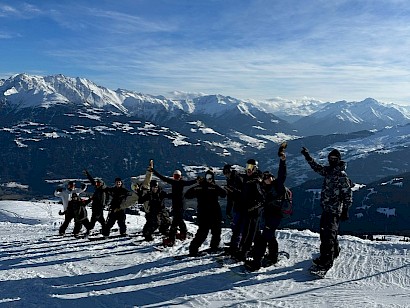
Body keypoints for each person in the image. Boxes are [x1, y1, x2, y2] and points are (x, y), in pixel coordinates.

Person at [301, 147, 353, 271]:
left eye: (335, 158)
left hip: (334, 210)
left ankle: (326, 261)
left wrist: (346, 209)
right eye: (330, 158)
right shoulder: (329, 171)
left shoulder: (341, 175)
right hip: (326, 208)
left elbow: (347, 194)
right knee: (328, 233)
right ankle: (333, 251)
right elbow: (316, 167)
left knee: (327, 235)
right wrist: (307, 156)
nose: (332, 160)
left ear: (339, 159)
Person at [245, 150, 287, 271]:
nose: (266, 179)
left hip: (275, 216)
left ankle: (256, 262)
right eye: (265, 177)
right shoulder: (264, 187)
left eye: (268, 177)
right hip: (268, 216)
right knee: (270, 236)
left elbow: (282, 174)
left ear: (272, 178)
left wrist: (283, 161)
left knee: (263, 238)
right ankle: (273, 256)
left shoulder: (277, 185)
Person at [185, 169, 227, 256]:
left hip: (211, 213)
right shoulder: (203, 187)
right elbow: (187, 195)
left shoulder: (211, 187)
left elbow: (223, 194)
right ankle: (193, 249)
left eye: (210, 177)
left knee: (215, 231)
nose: (209, 179)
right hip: (206, 213)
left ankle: (212, 246)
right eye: (207, 177)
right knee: (204, 232)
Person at [229, 159, 264, 261]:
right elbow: (243, 195)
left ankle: (244, 252)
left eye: (251, 167)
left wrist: (253, 208)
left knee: (249, 232)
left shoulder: (255, 181)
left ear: (255, 168)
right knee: (254, 233)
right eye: (247, 166)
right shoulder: (246, 179)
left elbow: (261, 199)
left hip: (253, 212)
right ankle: (258, 250)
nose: (248, 169)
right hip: (246, 210)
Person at [152, 167, 197, 246]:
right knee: (179, 220)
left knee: (174, 223)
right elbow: (163, 178)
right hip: (178, 205)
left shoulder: (180, 182)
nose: (176, 178)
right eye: (175, 177)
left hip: (179, 206)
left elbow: (190, 183)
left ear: (180, 177)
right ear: (173, 176)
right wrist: (154, 171)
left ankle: (171, 240)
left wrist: (197, 180)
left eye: (178, 177)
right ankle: (183, 234)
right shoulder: (176, 182)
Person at [84, 170, 107, 234]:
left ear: (101, 184)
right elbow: (92, 182)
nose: (97, 184)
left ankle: (89, 231)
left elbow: (102, 201)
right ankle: (105, 229)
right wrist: (87, 175)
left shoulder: (102, 191)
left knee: (94, 220)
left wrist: (100, 209)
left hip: (98, 208)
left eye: (98, 183)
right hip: (95, 208)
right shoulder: (98, 188)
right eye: (97, 183)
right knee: (101, 221)